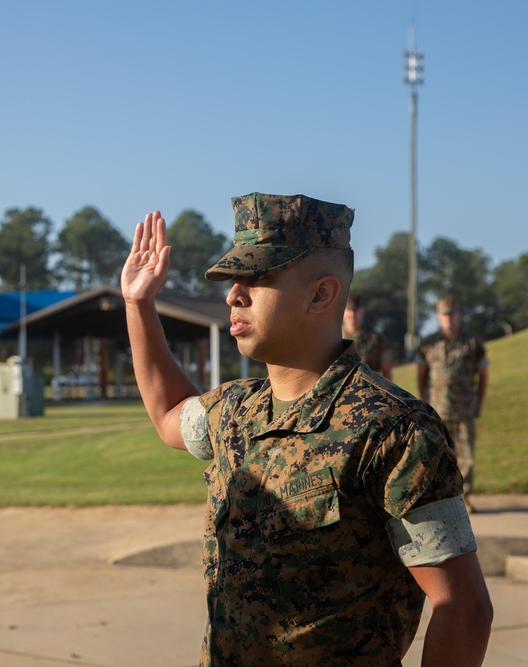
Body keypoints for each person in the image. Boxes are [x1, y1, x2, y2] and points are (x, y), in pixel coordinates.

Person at [121, 193, 492, 666]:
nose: (235, 294)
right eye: (234, 279)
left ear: (321, 294)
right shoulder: (237, 410)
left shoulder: (392, 429)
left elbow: (464, 607)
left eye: (258, 278)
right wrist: (138, 304)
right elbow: (170, 411)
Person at [417, 297, 488, 512]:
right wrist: (425, 404)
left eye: (452, 314)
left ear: (459, 315)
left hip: (464, 409)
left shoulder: (473, 344)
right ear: (438, 317)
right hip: (438, 410)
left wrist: (478, 401)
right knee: (437, 456)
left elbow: (483, 375)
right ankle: (438, 500)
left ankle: (463, 499)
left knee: (467, 459)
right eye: (444, 315)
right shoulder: (428, 344)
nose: (449, 319)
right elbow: (422, 376)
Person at [343, 293, 393, 379]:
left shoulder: (376, 340)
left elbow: (387, 374)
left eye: (356, 310)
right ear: (343, 312)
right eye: (349, 310)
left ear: (362, 311)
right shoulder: (333, 338)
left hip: (368, 389)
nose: (352, 314)